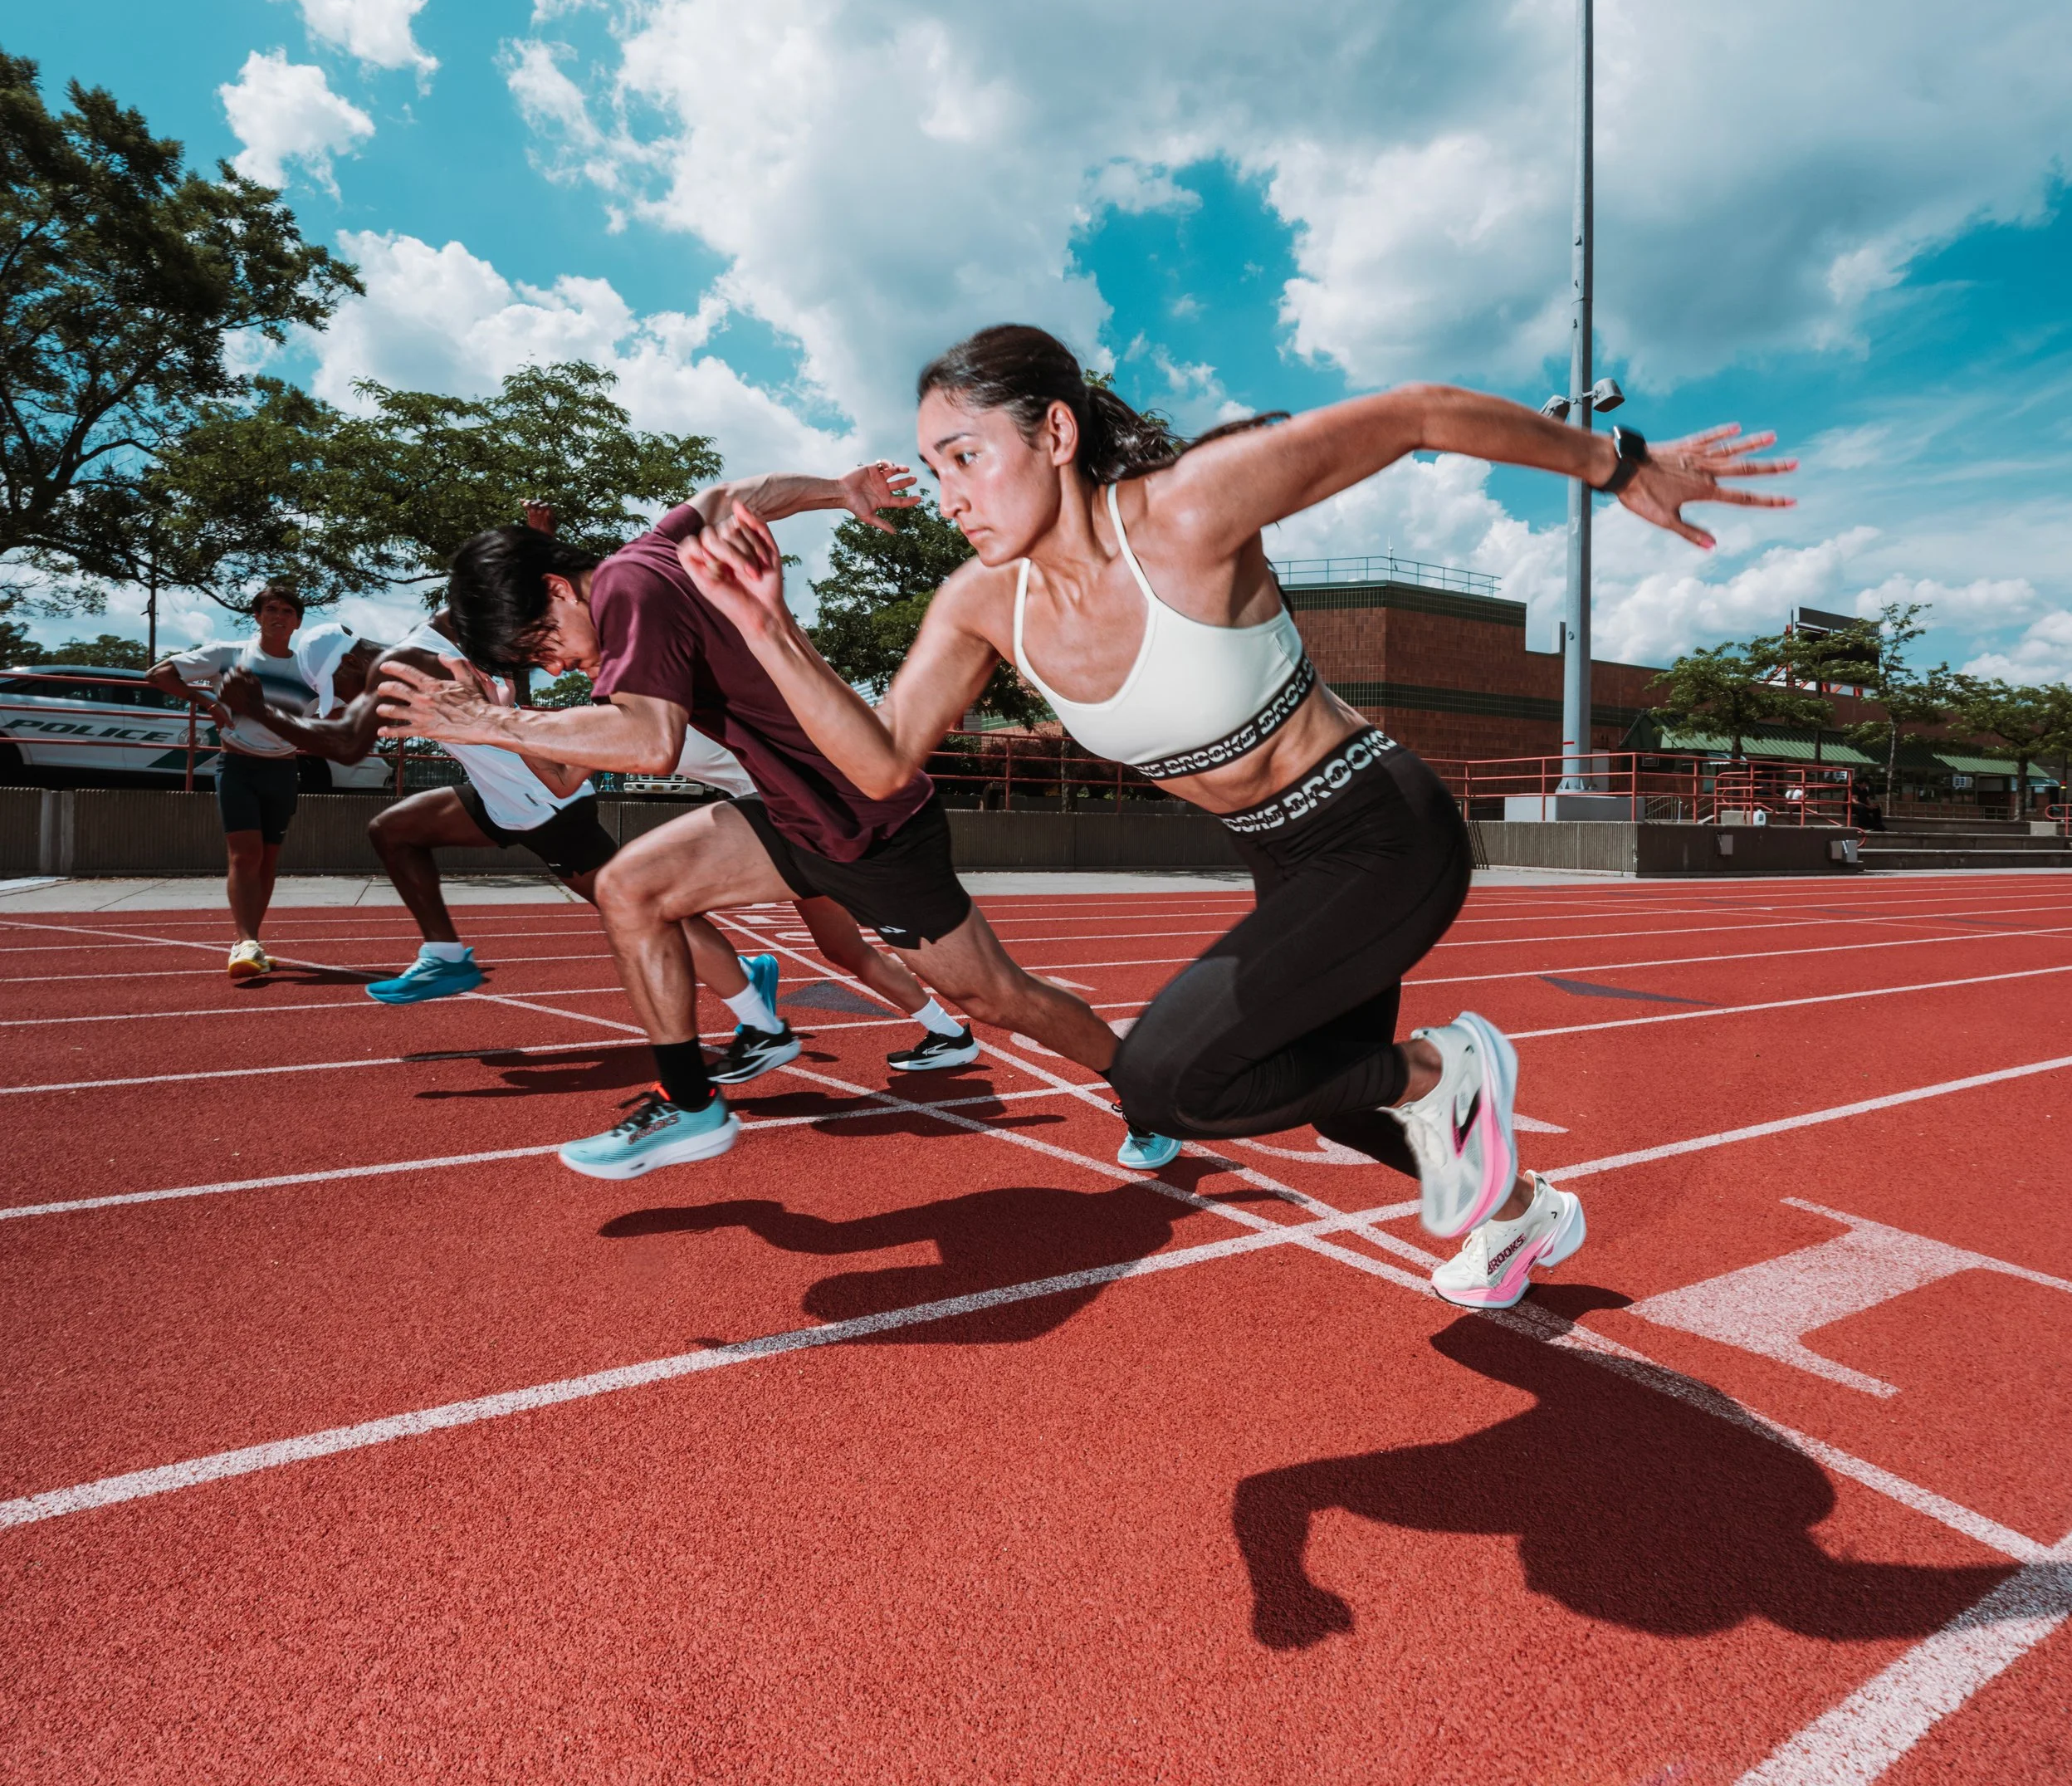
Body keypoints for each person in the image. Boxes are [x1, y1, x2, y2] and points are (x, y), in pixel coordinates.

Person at [677, 325, 1796, 1309]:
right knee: (1340, 1102)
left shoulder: (1189, 508)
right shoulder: (980, 603)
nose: (948, 493)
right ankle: (1522, 1213)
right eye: (932, 468)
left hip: (1378, 827)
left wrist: (1619, 462)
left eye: (965, 455)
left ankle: (1446, 1070)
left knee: (1168, 1080)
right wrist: (768, 630)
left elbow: (1417, 413)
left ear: (1054, 432)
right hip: (1283, 858)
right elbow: (879, 763)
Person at [377, 455, 1082, 1178]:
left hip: (848, 810)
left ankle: (1102, 1066)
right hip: (781, 811)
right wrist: (837, 491)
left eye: (543, 647)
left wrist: (495, 723)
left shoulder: (629, 616)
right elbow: (734, 496)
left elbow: (649, 745)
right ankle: (702, 1088)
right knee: (634, 890)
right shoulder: (645, 579)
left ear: (559, 590)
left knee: (985, 990)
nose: (553, 667)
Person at [149, 584, 374, 979]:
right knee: (244, 855)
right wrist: (209, 702)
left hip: (283, 769)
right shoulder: (229, 654)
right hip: (237, 765)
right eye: (271, 609)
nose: (279, 616)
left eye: (288, 611)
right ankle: (245, 941)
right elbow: (159, 674)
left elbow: (342, 709)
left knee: (268, 859)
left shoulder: (310, 670)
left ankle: (254, 941)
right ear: (257, 616)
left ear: (298, 622)